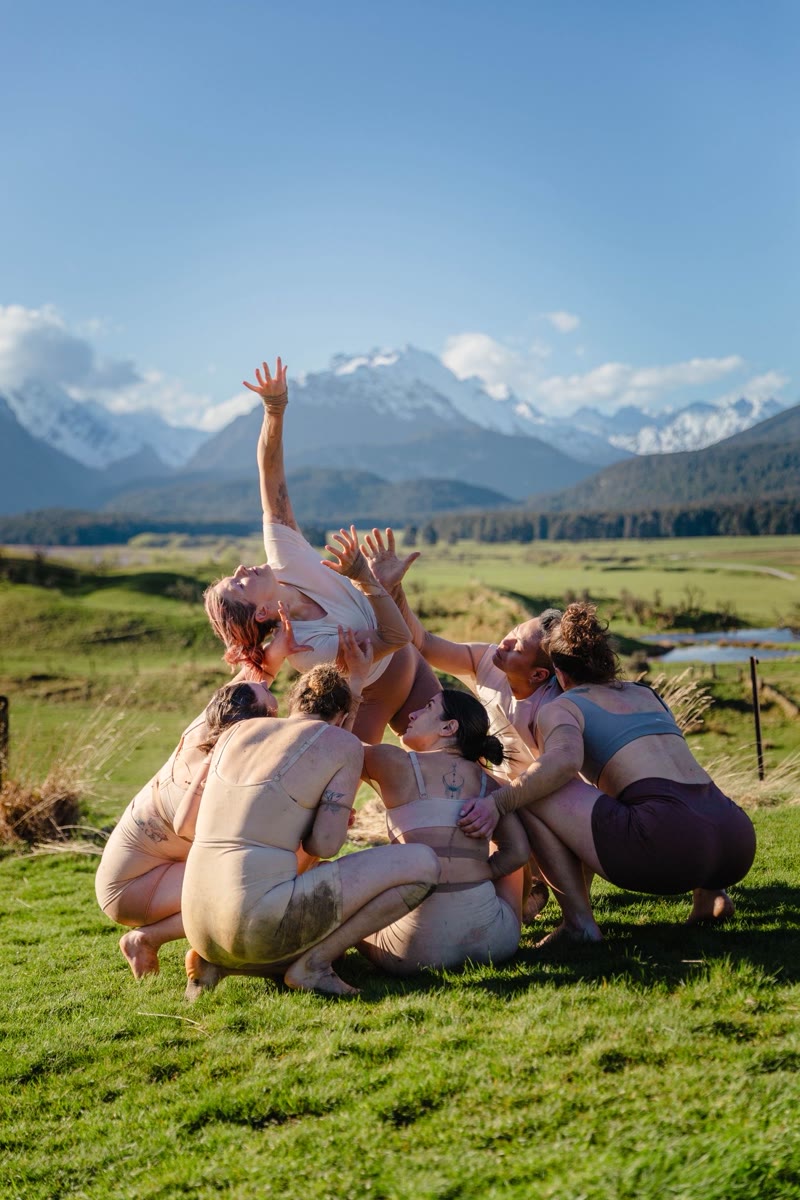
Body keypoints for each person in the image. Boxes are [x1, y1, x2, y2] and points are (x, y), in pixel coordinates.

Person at [457, 602, 757, 941]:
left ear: (558, 673)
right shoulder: (646, 693)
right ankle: (712, 894)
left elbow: (562, 763)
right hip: (735, 839)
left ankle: (578, 924)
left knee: (534, 789)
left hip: (668, 844)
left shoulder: (564, 706)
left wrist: (499, 802)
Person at [358, 528, 604, 919]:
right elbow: (422, 642)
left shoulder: (560, 703)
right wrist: (392, 590)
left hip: (550, 793)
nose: (502, 644)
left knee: (539, 821)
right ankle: (523, 896)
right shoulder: (485, 661)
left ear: (540, 675)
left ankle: (570, 910)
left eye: (516, 646)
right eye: (510, 634)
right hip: (497, 792)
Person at [202, 358, 441, 742]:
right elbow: (390, 636)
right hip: (371, 699)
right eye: (239, 584)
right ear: (262, 612)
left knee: (459, 756)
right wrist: (367, 579)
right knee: (358, 783)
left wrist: (274, 409)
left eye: (234, 574)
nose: (243, 568)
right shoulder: (307, 651)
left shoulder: (285, 557)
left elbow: (271, 474)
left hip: (410, 667)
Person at [181, 663, 441, 998]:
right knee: (422, 864)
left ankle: (220, 963)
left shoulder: (236, 733)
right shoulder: (342, 744)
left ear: (294, 702)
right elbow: (325, 844)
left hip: (196, 924)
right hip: (256, 920)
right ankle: (315, 964)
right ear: (341, 715)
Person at [95, 678, 275, 978]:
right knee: (239, 886)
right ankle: (146, 939)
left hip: (143, 871)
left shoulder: (207, 726)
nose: (264, 684)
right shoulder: (216, 773)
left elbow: (257, 673)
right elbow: (202, 833)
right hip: (133, 888)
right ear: (254, 724)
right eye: (270, 695)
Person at [358, 683, 529, 974]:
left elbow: (337, 744)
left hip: (414, 951)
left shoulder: (393, 761)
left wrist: (357, 679)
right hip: (497, 943)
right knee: (504, 862)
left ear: (449, 727)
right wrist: (480, 872)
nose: (411, 715)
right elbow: (518, 852)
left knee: (347, 894)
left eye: (427, 708)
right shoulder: (490, 783)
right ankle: (517, 913)